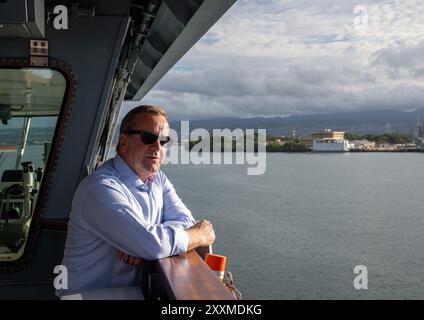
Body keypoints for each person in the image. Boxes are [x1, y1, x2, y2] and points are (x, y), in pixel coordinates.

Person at [57, 105, 215, 296]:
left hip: (126, 293)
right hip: (85, 295)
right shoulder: (100, 188)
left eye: (164, 140)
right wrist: (196, 235)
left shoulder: (158, 179)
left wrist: (137, 242)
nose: (157, 147)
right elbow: (152, 244)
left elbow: (184, 220)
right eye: (148, 138)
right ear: (123, 142)